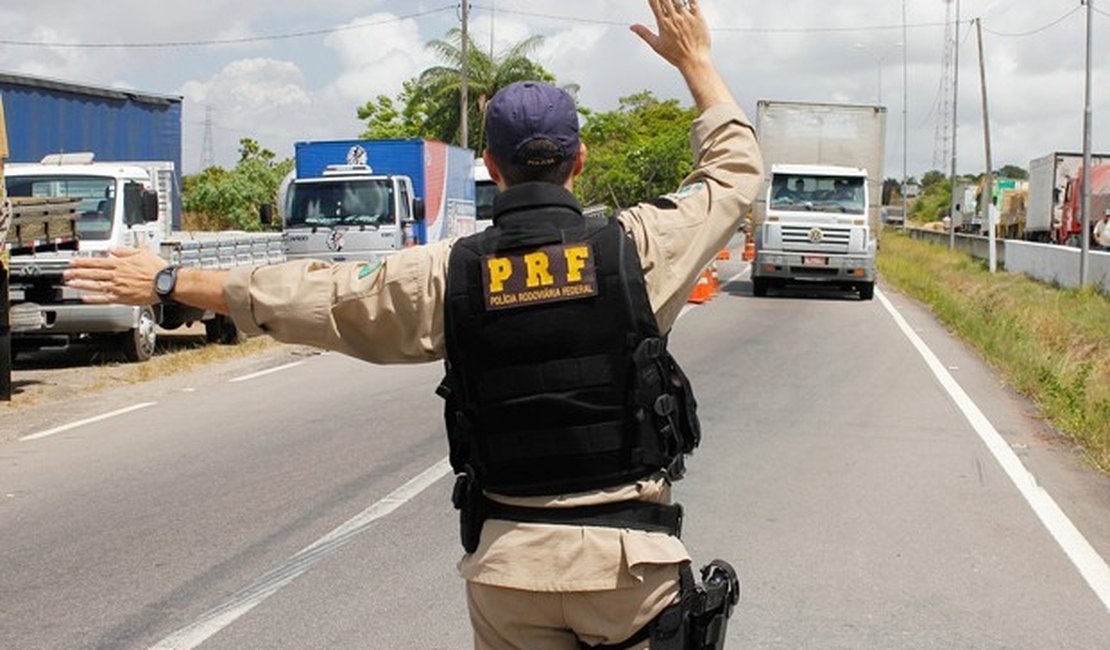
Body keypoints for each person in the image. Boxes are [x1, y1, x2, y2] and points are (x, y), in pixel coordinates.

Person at [65, 1, 763, 647]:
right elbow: (733, 174)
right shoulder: (637, 251)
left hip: (508, 566)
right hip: (627, 569)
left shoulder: (447, 274)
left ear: (490, 166)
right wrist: (695, 61)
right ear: (580, 162)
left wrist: (169, 280)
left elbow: (319, 297)